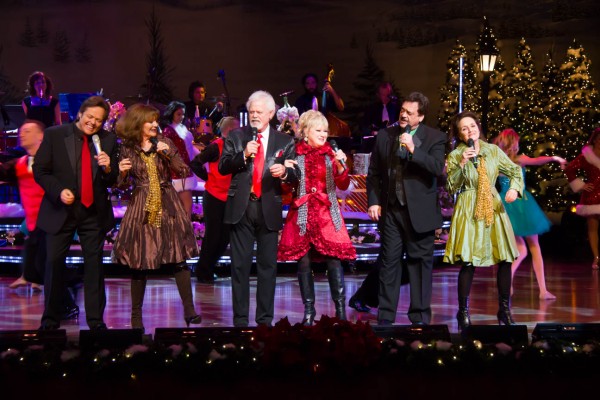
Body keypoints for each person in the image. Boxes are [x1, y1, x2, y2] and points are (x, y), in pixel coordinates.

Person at [112, 103, 201, 331]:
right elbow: (120, 186)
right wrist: (121, 172)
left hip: (168, 201)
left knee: (178, 257)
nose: (154, 124)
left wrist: (168, 154)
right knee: (139, 261)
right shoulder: (128, 148)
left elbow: (183, 171)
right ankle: (136, 317)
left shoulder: (165, 143)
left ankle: (189, 309)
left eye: (155, 120)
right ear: (138, 124)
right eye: (149, 121)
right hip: (142, 204)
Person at [33, 96, 118, 330]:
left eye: (99, 121)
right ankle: (50, 321)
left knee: (95, 264)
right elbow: (40, 170)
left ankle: (95, 321)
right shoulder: (55, 134)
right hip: (61, 209)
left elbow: (112, 179)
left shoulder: (108, 140)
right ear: (80, 113)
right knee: (53, 263)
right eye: (90, 117)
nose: (93, 123)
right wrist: (59, 191)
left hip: (93, 212)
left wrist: (108, 167)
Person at [366, 92, 446, 326]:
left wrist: (414, 149)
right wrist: (373, 200)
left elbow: (437, 168)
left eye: (409, 113)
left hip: (420, 215)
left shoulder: (435, 137)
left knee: (420, 265)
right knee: (389, 264)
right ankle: (386, 317)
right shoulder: (385, 136)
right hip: (392, 211)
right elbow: (374, 174)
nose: (403, 114)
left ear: (420, 117)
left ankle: (420, 319)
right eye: (402, 110)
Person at [218, 90, 297, 327]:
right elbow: (223, 166)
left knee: (267, 267)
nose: (254, 116)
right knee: (239, 266)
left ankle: (265, 321)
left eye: (259, 112)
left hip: (268, 207)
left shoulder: (285, 140)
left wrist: (284, 172)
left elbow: (296, 174)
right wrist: (243, 155)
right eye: (251, 112)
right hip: (242, 207)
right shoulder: (236, 136)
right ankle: (240, 321)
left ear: (271, 113)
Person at [443, 111, 524, 331]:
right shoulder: (455, 155)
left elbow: (515, 170)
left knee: (505, 258)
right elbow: (451, 187)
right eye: (464, 128)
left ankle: (504, 310)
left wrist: (515, 189)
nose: (470, 130)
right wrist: (461, 163)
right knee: (468, 262)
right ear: (459, 135)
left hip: (493, 205)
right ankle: (463, 312)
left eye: (472, 125)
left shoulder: (492, 150)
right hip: (469, 207)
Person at [277, 110, 356, 324]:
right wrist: (285, 174)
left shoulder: (331, 154)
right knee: (303, 263)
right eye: (318, 130)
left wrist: (341, 166)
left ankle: (340, 311)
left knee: (334, 260)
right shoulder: (293, 153)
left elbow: (343, 184)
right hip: (301, 212)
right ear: (305, 132)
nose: (323, 134)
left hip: (326, 213)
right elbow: (286, 188)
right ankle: (309, 312)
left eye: (325, 131)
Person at [3, 121, 79, 321]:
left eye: (27, 131)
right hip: (33, 226)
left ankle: (66, 306)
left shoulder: (54, 163)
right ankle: (73, 278)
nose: (22, 134)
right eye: (21, 131)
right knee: (33, 271)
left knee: (46, 267)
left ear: (40, 137)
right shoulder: (19, 164)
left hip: (54, 222)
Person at [493, 128, 565, 299]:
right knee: (532, 248)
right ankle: (541, 290)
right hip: (520, 204)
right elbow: (537, 160)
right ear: (513, 143)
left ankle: (509, 282)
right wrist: (555, 158)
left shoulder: (497, 161)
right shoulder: (518, 160)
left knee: (520, 249)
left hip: (506, 204)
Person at [190, 116, 239, 283]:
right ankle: (203, 271)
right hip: (214, 196)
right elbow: (196, 163)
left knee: (224, 237)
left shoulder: (237, 147)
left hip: (229, 197)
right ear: (231, 130)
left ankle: (208, 267)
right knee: (213, 236)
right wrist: (208, 178)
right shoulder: (216, 147)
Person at [564, 127, 600, 270]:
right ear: (595, 139)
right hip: (592, 194)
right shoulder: (587, 155)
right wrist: (582, 185)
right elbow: (570, 169)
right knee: (592, 227)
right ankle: (596, 258)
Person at [161, 101, 201, 218]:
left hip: (185, 169)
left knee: (186, 207)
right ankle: (182, 232)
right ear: (171, 114)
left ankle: (184, 232)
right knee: (182, 207)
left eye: (183, 114)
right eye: (178, 114)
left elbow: (189, 149)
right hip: (177, 173)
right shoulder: (168, 131)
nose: (181, 117)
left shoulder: (183, 129)